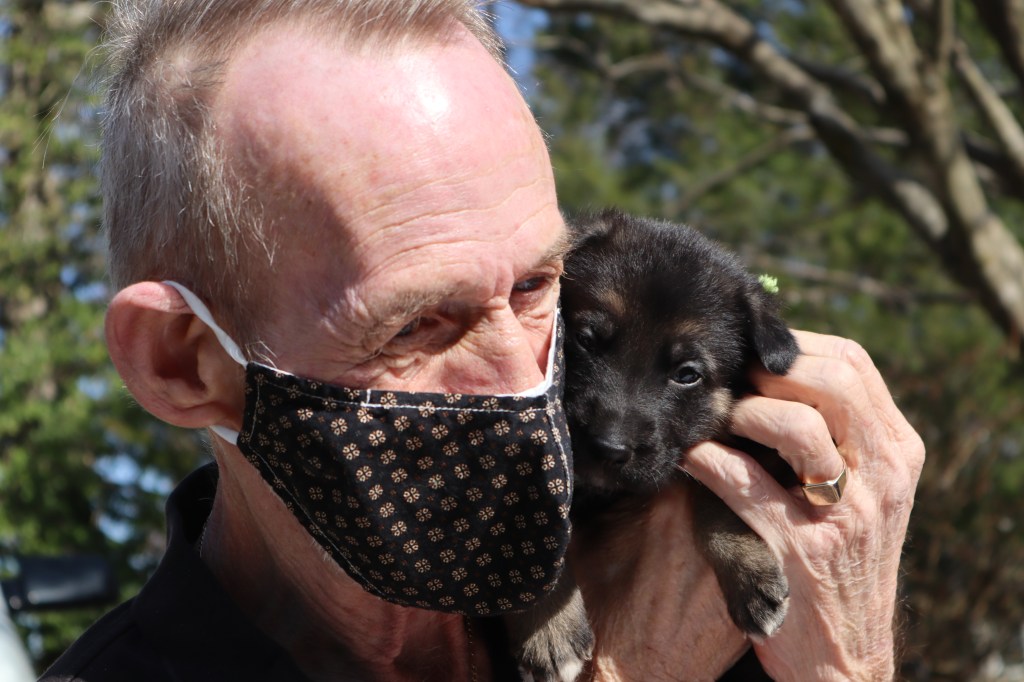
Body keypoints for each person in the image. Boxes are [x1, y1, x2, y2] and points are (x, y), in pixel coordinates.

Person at [43, 0, 925, 680]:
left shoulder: (702, 557)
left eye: (539, 286)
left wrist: (844, 660)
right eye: (417, 322)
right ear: (184, 361)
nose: (520, 375)